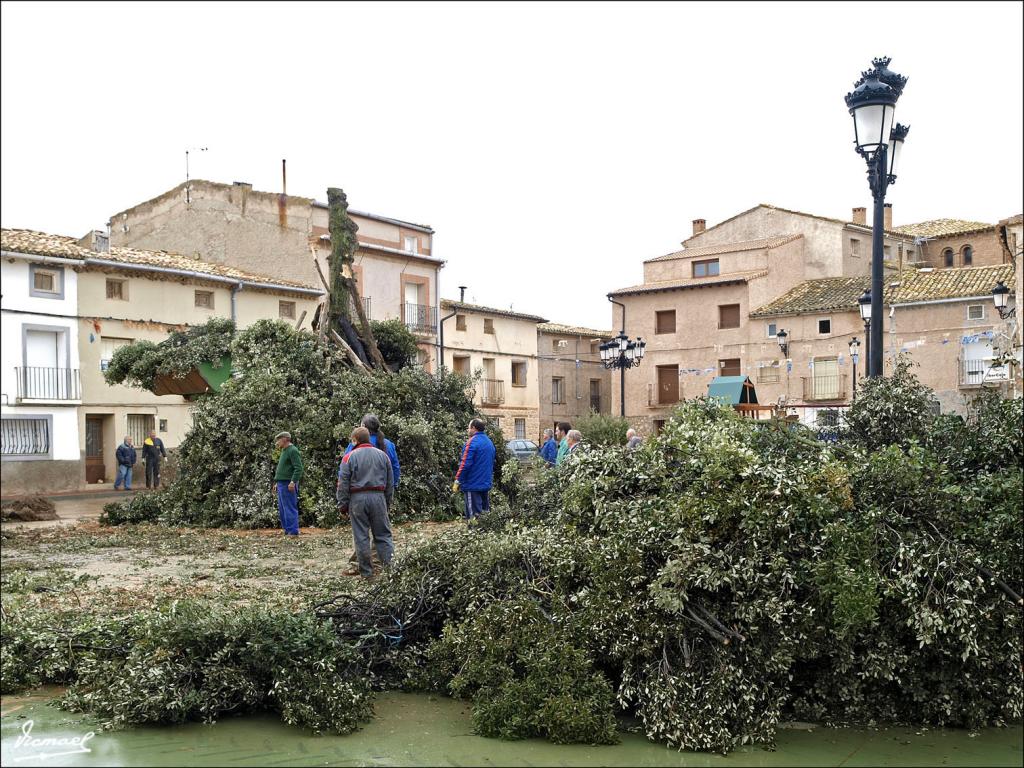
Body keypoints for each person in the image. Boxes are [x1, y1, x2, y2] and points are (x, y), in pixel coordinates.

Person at [337, 426, 395, 579]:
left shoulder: (349, 457)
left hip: (357, 499)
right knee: (383, 536)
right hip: (379, 497)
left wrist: (342, 505)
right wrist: (387, 502)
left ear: (354, 440)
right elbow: (390, 482)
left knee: (361, 536)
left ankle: (367, 574)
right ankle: (390, 571)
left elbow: (342, 483)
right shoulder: (383, 456)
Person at [452, 418, 496, 527]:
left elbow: (465, 464)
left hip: (473, 484)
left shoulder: (472, 442)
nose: (468, 430)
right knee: (485, 514)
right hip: (485, 483)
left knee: (473, 517)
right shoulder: (489, 442)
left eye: (468, 427)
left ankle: (474, 536)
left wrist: (458, 480)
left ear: (473, 428)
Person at [273, 431, 303, 536]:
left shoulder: (292, 450)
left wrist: (293, 482)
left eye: (279, 439)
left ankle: (293, 531)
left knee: (289, 507)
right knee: (282, 508)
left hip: (288, 484)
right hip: (282, 483)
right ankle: (287, 530)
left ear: (285, 439)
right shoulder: (284, 450)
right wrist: (277, 482)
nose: (277, 442)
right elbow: (284, 469)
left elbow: (298, 468)